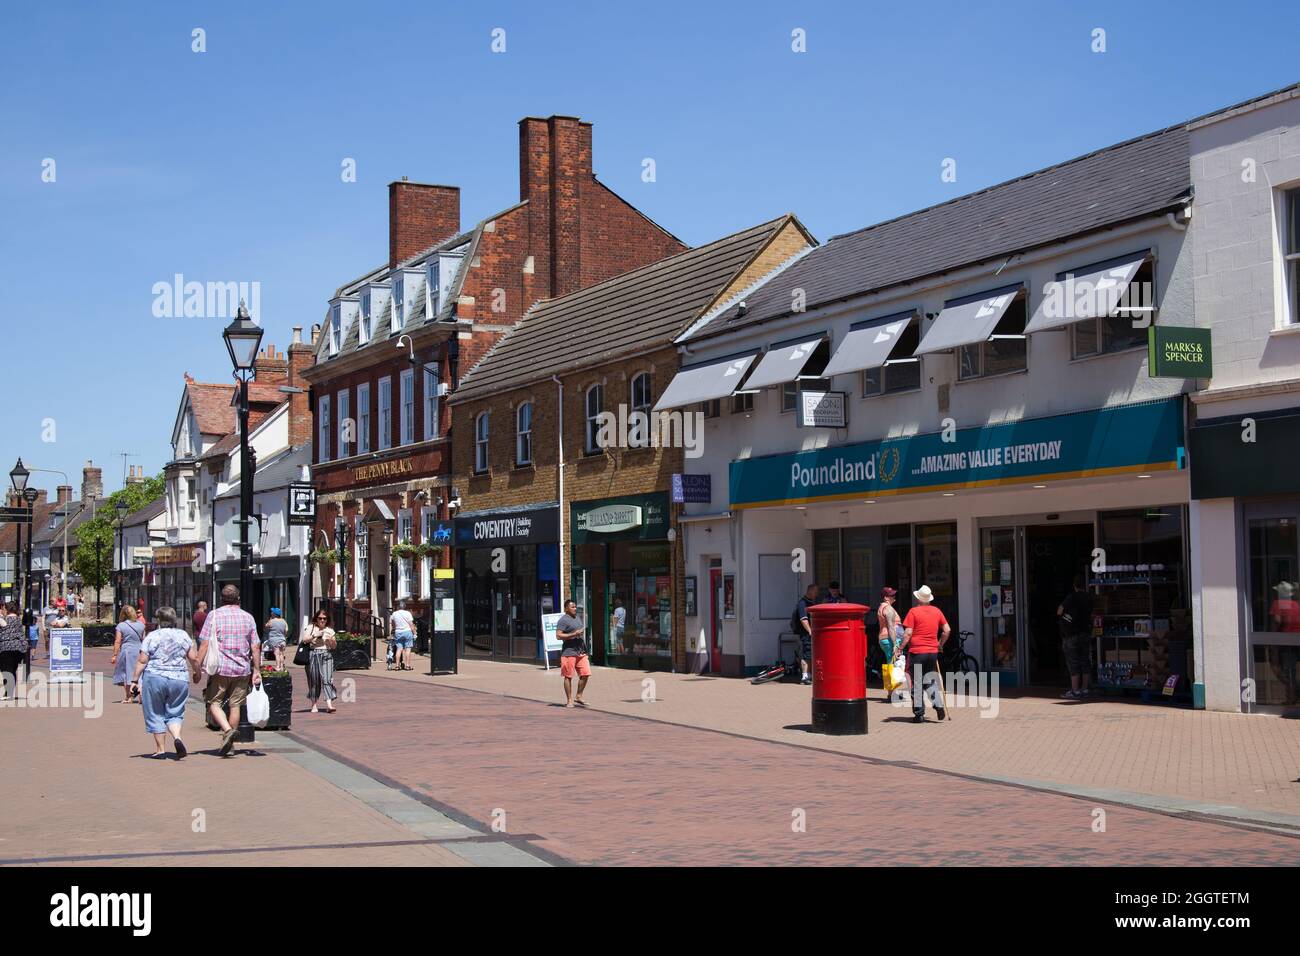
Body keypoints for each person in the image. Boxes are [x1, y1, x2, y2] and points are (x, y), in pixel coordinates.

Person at [195, 584, 263, 756]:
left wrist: (197, 666)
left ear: (221, 599)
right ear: (238, 598)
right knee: (235, 705)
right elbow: (255, 646)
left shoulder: (214, 615)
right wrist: (257, 669)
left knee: (214, 703)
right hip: (241, 668)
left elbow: (204, 643)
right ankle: (230, 744)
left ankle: (227, 731)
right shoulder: (248, 617)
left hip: (221, 668)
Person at [128, 606, 199, 759]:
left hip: (155, 676)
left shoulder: (152, 636)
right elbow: (193, 658)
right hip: (179, 678)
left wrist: (134, 680)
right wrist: (197, 672)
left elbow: (142, 660)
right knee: (175, 711)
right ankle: (177, 737)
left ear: (159, 620)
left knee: (155, 712)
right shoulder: (183, 635)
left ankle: (160, 750)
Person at [899, 584, 950, 722]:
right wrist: (940, 644)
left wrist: (900, 647)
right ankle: (938, 705)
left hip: (917, 652)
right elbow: (947, 630)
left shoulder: (913, 612)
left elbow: (908, 633)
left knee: (916, 683)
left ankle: (919, 714)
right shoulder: (937, 611)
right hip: (932, 652)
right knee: (929, 681)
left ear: (918, 599)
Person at [1057, 574, 1095, 699]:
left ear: (1074, 586)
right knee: (1085, 660)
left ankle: (1075, 690)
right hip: (1085, 633)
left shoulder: (1071, 597)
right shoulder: (1089, 598)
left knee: (1073, 661)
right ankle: (1084, 689)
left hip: (1071, 634)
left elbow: (1060, 611)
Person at [300, 608, 338, 713]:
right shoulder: (310, 627)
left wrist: (332, 641)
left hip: (326, 655)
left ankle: (329, 704)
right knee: (314, 681)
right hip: (313, 655)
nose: (322, 620)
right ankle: (314, 704)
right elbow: (304, 640)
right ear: (316, 619)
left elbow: (334, 647)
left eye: (324, 619)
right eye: (320, 618)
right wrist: (316, 635)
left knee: (327, 679)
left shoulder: (330, 630)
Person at [556, 599, 590, 708]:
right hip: (568, 652)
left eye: (575, 606)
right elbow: (558, 636)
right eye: (572, 607)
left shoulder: (577, 618)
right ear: (566, 608)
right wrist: (573, 634)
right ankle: (569, 700)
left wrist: (585, 650)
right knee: (568, 676)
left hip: (580, 652)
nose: (575, 608)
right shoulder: (563, 620)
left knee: (585, 673)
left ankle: (578, 696)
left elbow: (579, 634)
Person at [112, 606, 145, 704]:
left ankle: (129, 697)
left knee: (127, 673)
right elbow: (144, 639)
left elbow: (118, 641)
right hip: (139, 650)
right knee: (140, 672)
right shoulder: (141, 625)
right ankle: (141, 694)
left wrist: (114, 654)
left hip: (127, 651)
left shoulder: (121, 626)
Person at [792, 583, 820, 685]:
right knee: (806, 654)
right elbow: (804, 620)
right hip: (806, 634)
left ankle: (809, 675)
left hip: (810, 634)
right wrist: (810, 631)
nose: (817, 594)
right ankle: (805, 676)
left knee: (810, 654)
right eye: (816, 592)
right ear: (810, 591)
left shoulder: (810, 602)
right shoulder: (802, 603)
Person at [0, 604, 26, 700]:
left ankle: (8, 694)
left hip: (6, 648)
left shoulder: (5, 620)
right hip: (19, 648)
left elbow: (3, 624)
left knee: (6, 670)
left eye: (3, 609)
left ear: (7, 610)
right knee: (12, 670)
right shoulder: (18, 620)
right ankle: (9, 692)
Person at [389, 600, 416, 671]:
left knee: (399, 649)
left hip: (398, 632)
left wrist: (394, 630)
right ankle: (407, 666)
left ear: (398, 607)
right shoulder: (408, 613)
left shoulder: (394, 614)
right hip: (407, 632)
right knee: (408, 649)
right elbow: (411, 624)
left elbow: (392, 624)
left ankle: (397, 666)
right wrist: (414, 633)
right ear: (405, 606)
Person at [263, 607, 289, 672]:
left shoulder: (271, 621)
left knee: (277, 654)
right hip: (282, 639)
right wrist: (283, 634)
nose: (271, 613)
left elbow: (266, 626)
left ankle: (277, 667)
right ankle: (282, 667)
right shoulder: (283, 621)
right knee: (281, 654)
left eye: (272, 612)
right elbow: (286, 630)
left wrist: (270, 621)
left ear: (274, 614)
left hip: (274, 640)